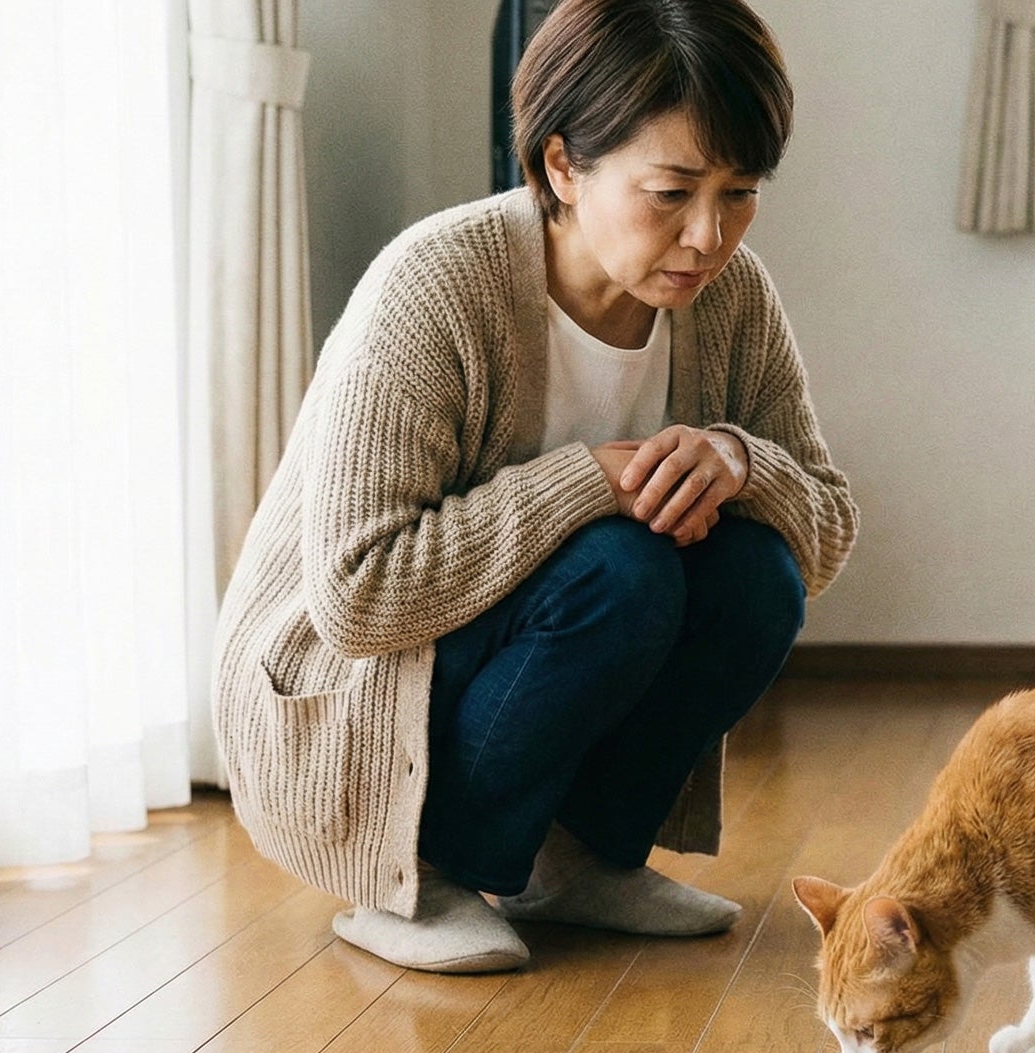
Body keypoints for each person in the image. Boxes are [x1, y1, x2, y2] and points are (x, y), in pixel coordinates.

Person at [213, 0, 856, 973]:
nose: (706, 234)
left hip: (511, 651)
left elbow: (827, 531)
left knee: (754, 572)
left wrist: (739, 461)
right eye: (671, 191)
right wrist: (582, 482)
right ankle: (414, 877)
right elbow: (354, 596)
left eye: (738, 192)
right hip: (346, 696)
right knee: (622, 566)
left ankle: (577, 860)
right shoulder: (435, 286)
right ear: (562, 165)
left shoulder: (731, 298)